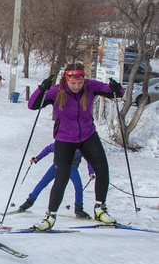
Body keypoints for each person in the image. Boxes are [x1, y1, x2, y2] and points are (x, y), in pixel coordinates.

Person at [27, 63, 123, 230]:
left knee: (102, 169)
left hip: (87, 135)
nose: (77, 86)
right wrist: (42, 89)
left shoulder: (90, 86)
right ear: (67, 80)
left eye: (79, 83)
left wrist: (117, 87)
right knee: (62, 178)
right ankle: (50, 217)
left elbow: (116, 93)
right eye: (73, 84)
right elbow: (33, 105)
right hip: (65, 139)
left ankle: (100, 208)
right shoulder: (57, 91)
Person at [17, 142, 94, 219]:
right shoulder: (62, 143)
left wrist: (91, 172)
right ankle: (29, 202)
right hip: (57, 166)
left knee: (78, 186)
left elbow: (88, 158)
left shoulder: (81, 146)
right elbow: (48, 149)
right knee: (43, 182)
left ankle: (78, 209)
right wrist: (37, 158)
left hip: (71, 168)